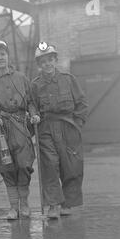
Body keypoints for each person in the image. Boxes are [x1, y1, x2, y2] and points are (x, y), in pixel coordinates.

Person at [0, 34, 39, 220]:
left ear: (8, 56)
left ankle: (24, 203)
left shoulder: (21, 77)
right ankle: (13, 207)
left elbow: (31, 101)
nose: (0, 58)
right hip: (2, 130)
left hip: (21, 126)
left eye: (3, 54)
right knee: (7, 167)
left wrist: (34, 113)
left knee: (24, 165)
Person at [31, 42, 88, 219]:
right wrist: (34, 115)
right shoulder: (35, 84)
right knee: (50, 166)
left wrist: (77, 123)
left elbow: (82, 103)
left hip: (69, 127)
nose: (47, 64)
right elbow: (32, 104)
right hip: (46, 128)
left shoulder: (69, 79)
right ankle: (53, 205)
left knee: (71, 166)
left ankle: (67, 203)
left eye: (50, 60)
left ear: (55, 60)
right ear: (39, 65)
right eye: (43, 62)